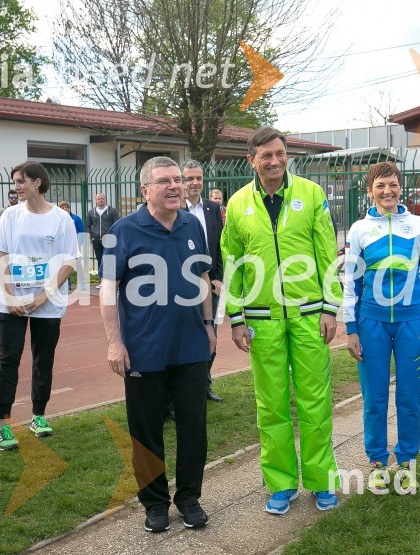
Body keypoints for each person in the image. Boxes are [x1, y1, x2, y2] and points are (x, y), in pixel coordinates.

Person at [222, 126, 342, 514]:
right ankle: (280, 483)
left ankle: (322, 480)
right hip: (262, 320)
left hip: (309, 315)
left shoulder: (311, 194)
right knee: (270, 405)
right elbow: (233, 264)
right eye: (266, 155)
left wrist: (329, 307)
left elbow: (327, 253)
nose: (274, 161)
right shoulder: (238, 204)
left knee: (315, 402)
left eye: (280, 153)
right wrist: (235, 317)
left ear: (286, 154)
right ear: (251, 160)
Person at [100, 156, 214, 533]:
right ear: (145, 190)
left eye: (178, 180)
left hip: (192, 347)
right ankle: (154, 503)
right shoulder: (123, 229)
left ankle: (189, 498)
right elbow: (107, 290)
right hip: (143, 349)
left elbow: (201, 277)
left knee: (193, 427)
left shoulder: (192, 224)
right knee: (146, 431)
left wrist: (209, 323)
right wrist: (115, 343)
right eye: (164, 181)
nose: (174, 186)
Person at [342, 161, 420, 493]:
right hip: (372, 324)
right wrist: (351, 328)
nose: (388, 191)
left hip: (412, 323)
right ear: (370, 190)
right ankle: (377, 462)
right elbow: (351, 283)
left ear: (402, 188)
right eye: (381, 185)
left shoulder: (419, 225)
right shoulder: (359, 230)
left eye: (393, 185)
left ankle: (408, 461)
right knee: (374, 398)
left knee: (410, 397)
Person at [0, 161, 80, 450]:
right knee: (9, 360)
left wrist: (44, 295)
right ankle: (4, 425)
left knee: (44, 360)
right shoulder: (10, 215)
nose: (16, 187)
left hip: (48, 303)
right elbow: (0, 255)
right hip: (11, 302)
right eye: (15, 182)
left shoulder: (61, 218)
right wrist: (11, 295)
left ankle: (38, 416)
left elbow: (69, 260)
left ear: (37, 182)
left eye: (20, 181)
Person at [183, 160, 225, 402]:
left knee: (211, 336)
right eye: (189, 178)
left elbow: (219, 247)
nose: (195, 182)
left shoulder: (212, 208)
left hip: (211, 285)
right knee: (187, 336)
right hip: (185, 286)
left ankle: (205, 384)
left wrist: (218, 277)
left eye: (198, 178)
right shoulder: (175, 207)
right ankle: (184, 390)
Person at [86, 193, 120, 274]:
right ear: (96, 200)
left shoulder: (112, 211)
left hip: (109, 239)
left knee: (109, 259)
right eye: (99, 199)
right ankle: (102, 280)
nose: (101, 200)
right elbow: (87, 225)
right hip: (96, 240)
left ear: (105, 199)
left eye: (102, 198)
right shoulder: (91, 212)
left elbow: (117, 224)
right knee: (99, 259)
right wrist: (91, 237)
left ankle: (111, 278)